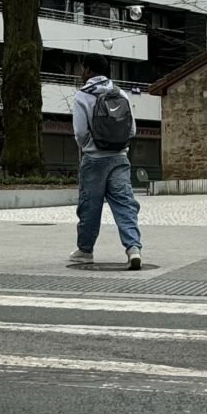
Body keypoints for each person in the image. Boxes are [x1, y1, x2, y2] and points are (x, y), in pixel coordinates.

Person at [71, 53, 143, 270]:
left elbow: (80, 132)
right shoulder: (120, 93)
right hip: (120, 157)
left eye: (83, 68)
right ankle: (133, 249)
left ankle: (85, 250)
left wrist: (89, 144)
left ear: (88, 70)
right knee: (125, 205)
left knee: (89, 207)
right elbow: (132, 129)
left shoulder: (83, 96)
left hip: (94, 159)